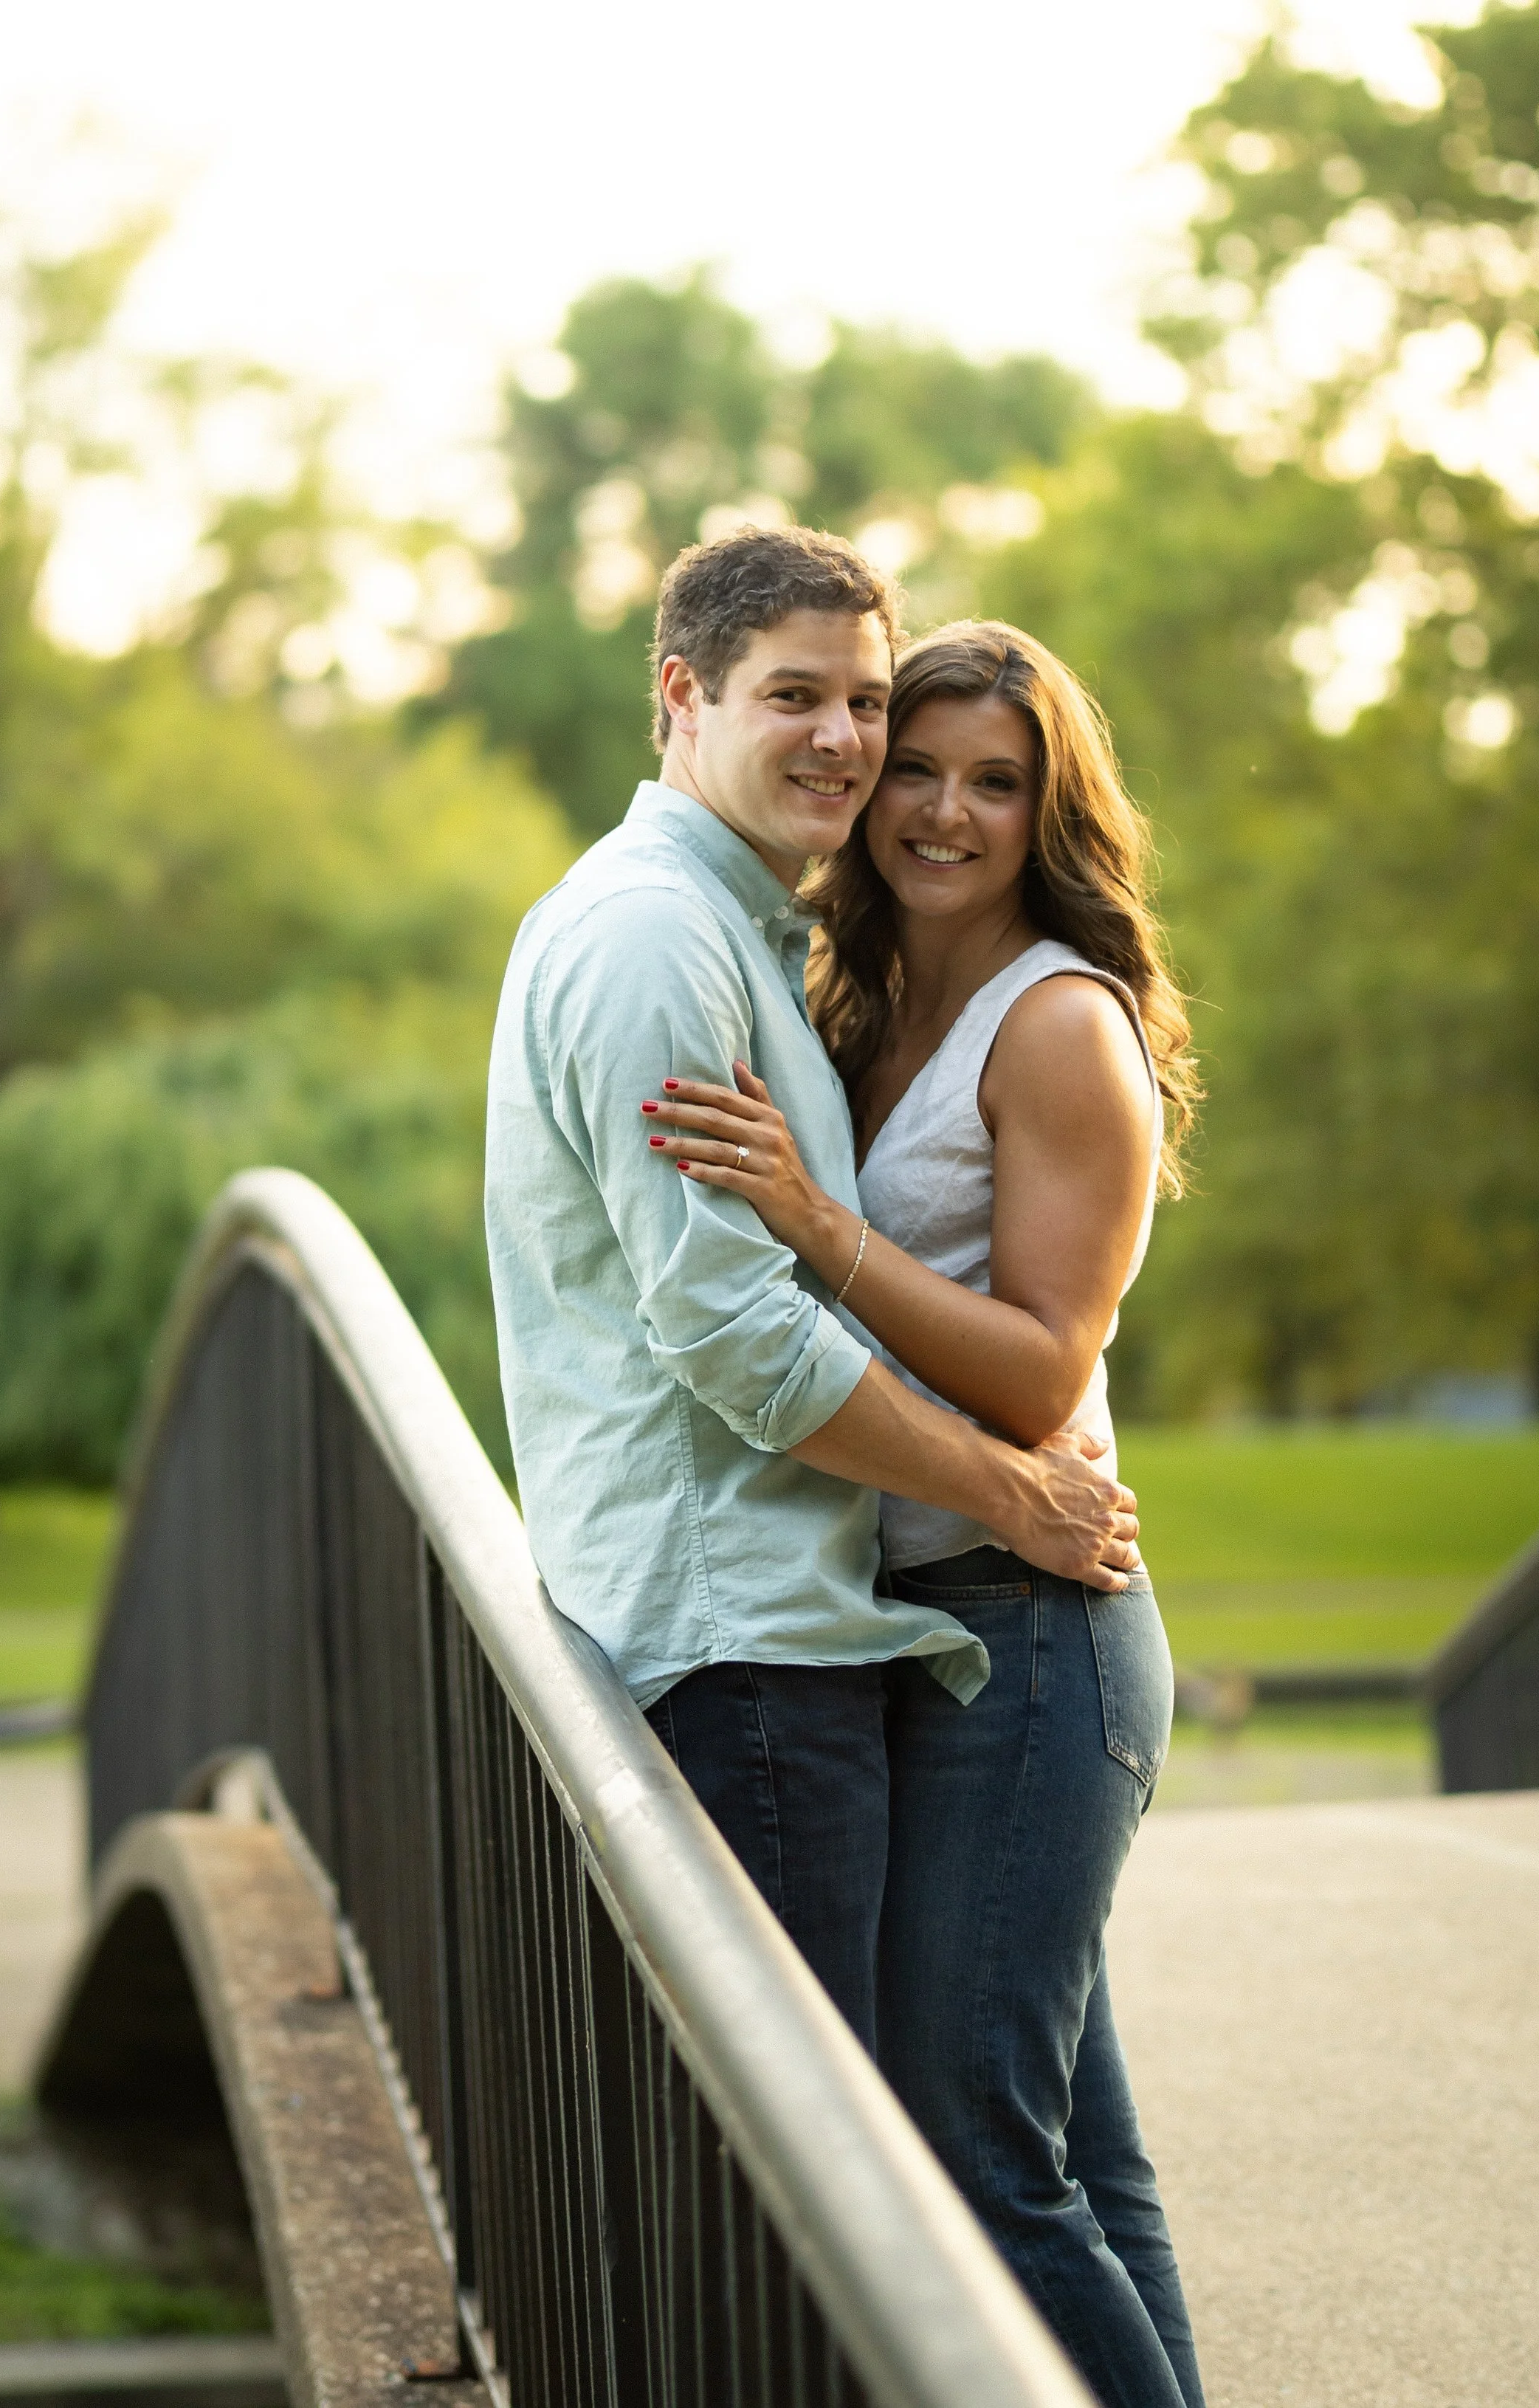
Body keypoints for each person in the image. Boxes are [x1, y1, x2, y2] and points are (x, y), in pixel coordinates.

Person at [639, 619, 1206, 2408]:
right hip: (939, 1633)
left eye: (997, 780)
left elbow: (1043, 1377)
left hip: (1035, 1640)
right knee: (1066, 2159)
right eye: (919, 768)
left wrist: (820, 1224)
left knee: (976, 2153)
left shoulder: (1055, 1024)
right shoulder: (860, 999)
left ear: (1050, 810)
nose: (945, 810)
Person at [486, 531, 1140, 2062]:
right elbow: (734, 1333)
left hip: (796, 1632)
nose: (844, 742)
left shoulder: (748, 937)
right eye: (797, 696)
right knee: (822, 2179)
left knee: (963, 2155)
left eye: (862, 700)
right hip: (746, 1645)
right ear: (680, 695)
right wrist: (1011, 1491)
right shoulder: (657, 936)